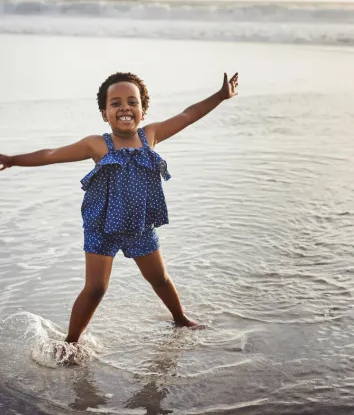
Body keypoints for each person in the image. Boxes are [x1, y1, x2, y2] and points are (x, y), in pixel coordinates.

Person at [0, 71, 239, 346]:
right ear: (104, 113)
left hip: (139, 225)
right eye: (115, 103)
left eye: (131, 102)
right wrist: (13, 159)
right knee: (96, 288)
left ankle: (180, 318)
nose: (124, 107)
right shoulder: (97, 144)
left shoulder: (151, 135)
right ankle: (71, 342)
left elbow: (188, 115)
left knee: (159, 278)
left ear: (143, 110)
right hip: (102, 226)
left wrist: (221, 96)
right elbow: (52, 154)